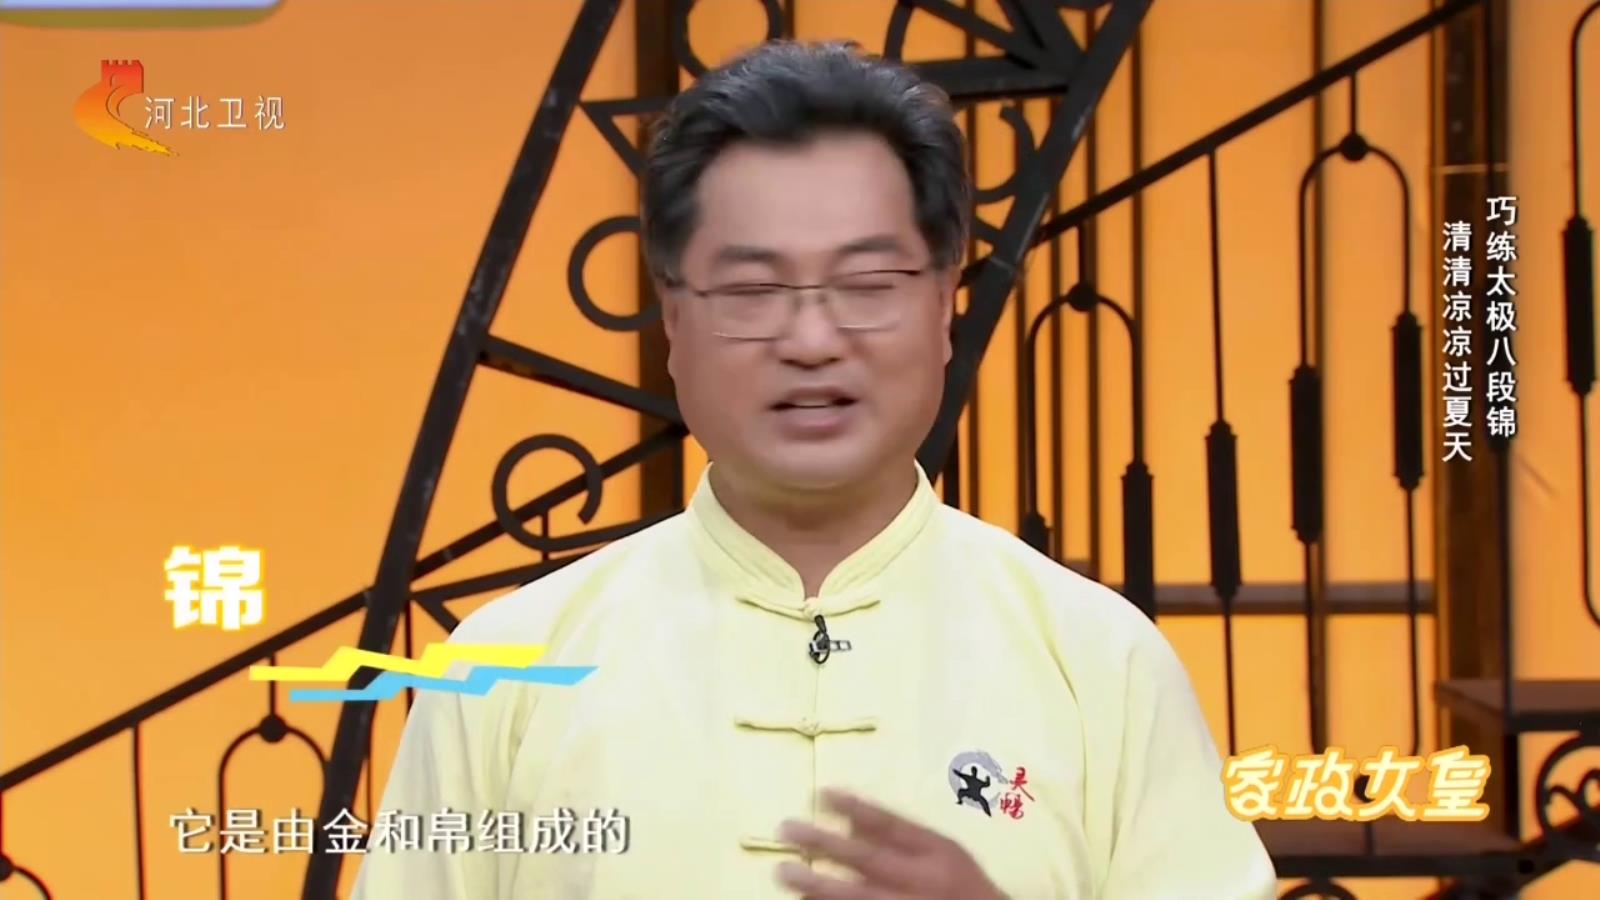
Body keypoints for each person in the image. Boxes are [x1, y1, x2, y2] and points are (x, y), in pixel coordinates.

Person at [354, 39, 1277, 899]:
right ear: (671, 314)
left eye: (867, 284)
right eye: (752, 289)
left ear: (945, 302)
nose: (809, 340)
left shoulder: (1103, 664)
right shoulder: (502, 672)